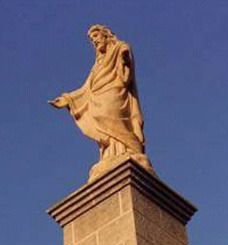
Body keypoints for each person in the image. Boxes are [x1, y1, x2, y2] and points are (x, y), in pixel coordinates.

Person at [49, 25, 153, 180]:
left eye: (96, 37)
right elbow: (86, 88)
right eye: (92, 40)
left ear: (105, 35)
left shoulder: (119, 47)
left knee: (115, 122)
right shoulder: (97, 65)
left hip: (115, 94)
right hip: (98, 97)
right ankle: (110, 155)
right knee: (104, 129)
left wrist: (125, 60)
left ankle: (129, 150)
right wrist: (67, 99)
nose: (94, 41)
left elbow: (126, 70)